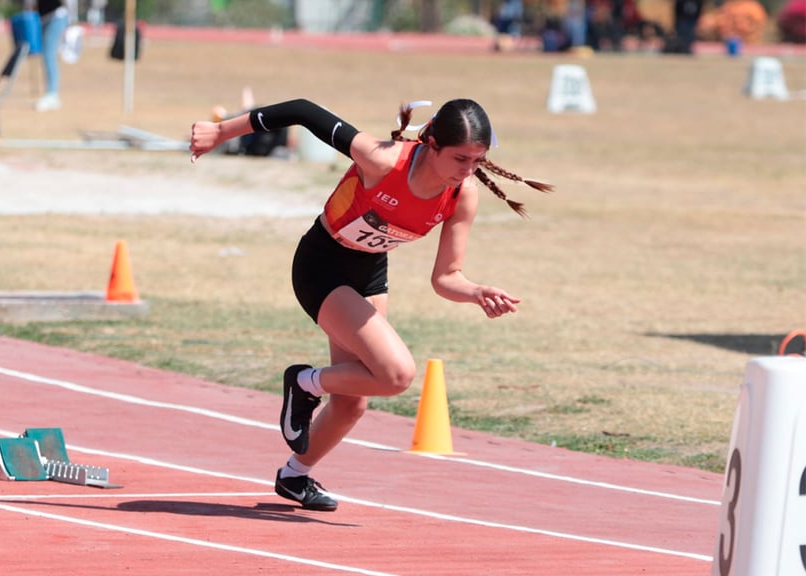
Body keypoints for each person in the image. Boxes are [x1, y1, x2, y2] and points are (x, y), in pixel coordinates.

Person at [189, 98, 552, 511]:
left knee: (353, 399)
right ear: (430, 142)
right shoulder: (382, 161)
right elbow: (304, 111)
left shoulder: (462, 196)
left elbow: (446, 278)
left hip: (368, 273)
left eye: (477, 160)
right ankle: (305, 382)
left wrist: (476, 292)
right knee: (397, 374)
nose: (468, 170)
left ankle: (294, 475)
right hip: (322, 266)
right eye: (460, 158)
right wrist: (222, 132)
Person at [34, 0, 69, 111]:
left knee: (49, 55)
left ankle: (52, 94)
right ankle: (51, 92)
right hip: (45, 17)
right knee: (47, 56)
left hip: (55, 16)